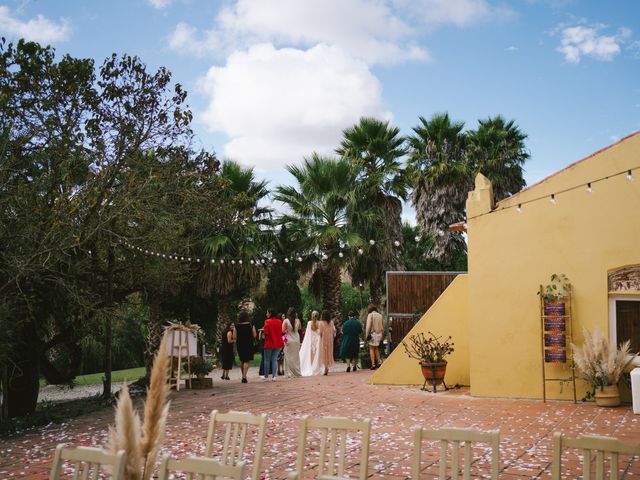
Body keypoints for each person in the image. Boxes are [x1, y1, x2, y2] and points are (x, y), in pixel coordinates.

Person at [262, 308, 284, 381]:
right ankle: (274, 376)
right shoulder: (279, 321)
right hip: (278, 343)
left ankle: (266, 376)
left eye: (267, 313)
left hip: (269, 342)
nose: (266, 314)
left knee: (267, 360)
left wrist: (262, 331)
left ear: (270, 313)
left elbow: (266, 333)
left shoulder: (267, 321)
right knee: (274, 359)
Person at [235, 311, 256, 383]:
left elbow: (235, 336)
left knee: (242, 360)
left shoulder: (236, 326)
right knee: (246, 361)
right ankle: (244, 376)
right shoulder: (250, 325)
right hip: (249, 344)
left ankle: (243, 376)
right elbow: (254, 335)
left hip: (240, 344)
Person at [300, 310, 322, 376]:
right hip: (317, 339)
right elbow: (320, 332)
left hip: (311, 339)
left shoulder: (309, 323)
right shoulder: (319, 323)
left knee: (311, 353)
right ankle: (315, 367)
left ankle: (311, 366)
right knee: (316, 353)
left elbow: (307, 333)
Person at [282, 307, 302, 377]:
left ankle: (290, 372)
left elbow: (283, 330)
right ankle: (297, 371)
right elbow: (299, 328)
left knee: (288, 356)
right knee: (296, 357)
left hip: (289, 340)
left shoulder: (285, 321)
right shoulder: (298, 320)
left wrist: (287, 330)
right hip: (296, 339)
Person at [365, 304, 384, 369]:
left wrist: (367, 335)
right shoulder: (380, 315)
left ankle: (373, 364)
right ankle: (379, 362)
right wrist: (382, 335)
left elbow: (368, 326)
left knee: (371, 348)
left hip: (373, 334)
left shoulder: (370, 315)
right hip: (379, 333)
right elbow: (382, 326)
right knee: (376, 348)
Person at [318, 310, 336, 376]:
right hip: (330, 340)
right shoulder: (331, 322)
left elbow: (320, 332)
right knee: (329, 352)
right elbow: (334, 330)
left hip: (323, 340)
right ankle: (327, 366)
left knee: (324, 353)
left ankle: (325, 368)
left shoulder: (321, 323)